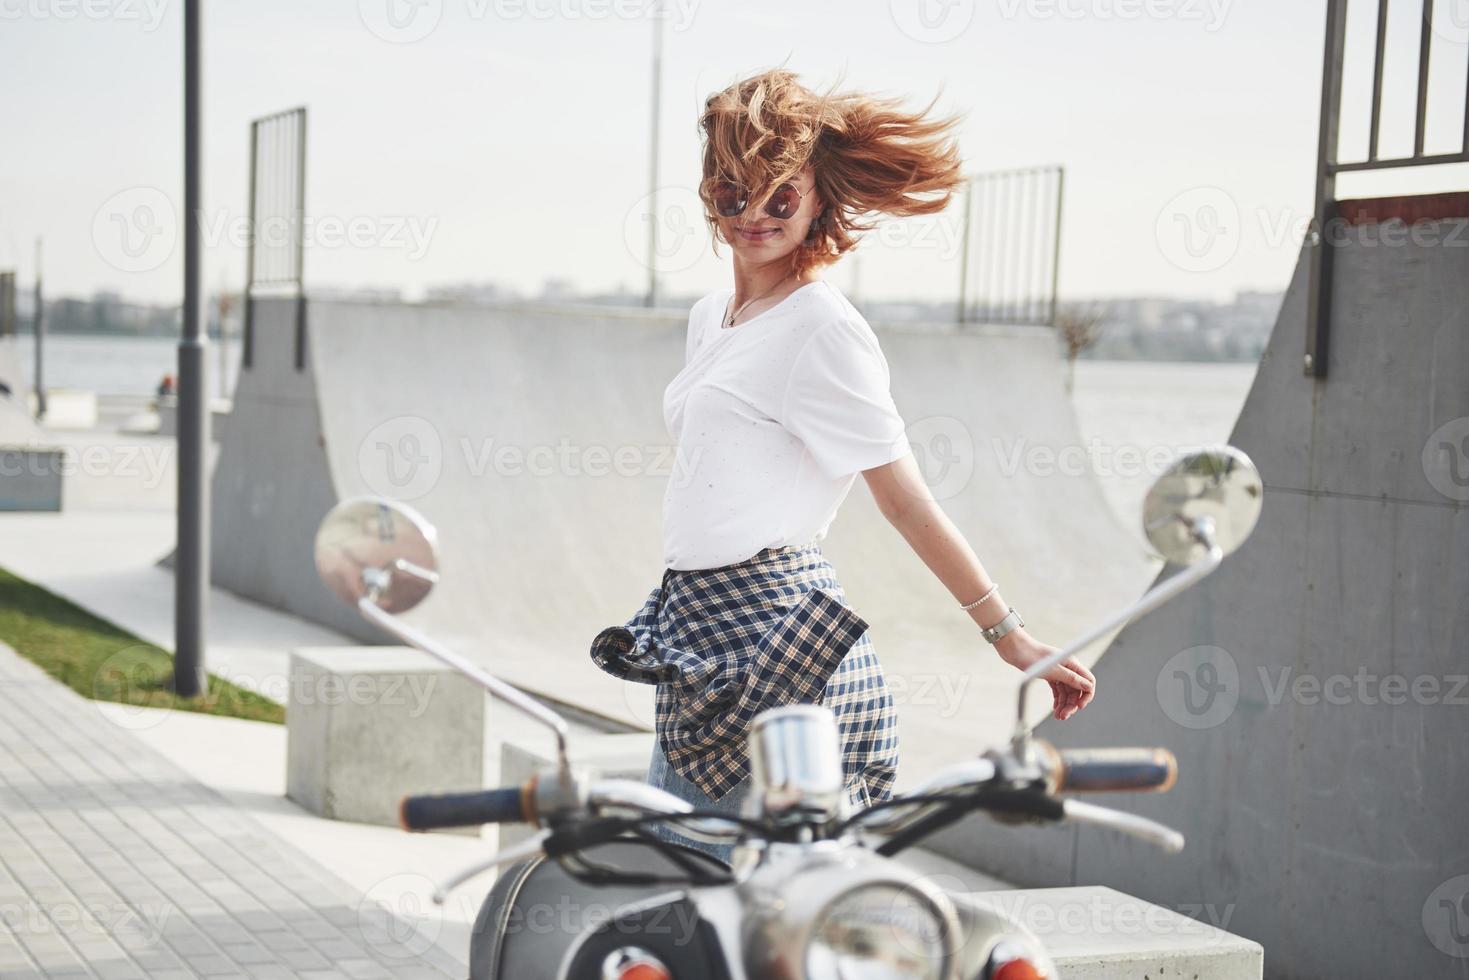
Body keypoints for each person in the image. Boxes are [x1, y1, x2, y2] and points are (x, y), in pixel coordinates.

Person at [590, 69, 1096, 862]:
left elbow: (905, 502)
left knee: (727, 897)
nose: (753, 215)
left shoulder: (821, 328)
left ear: (817, 198)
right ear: (706, 195)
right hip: (699, 632)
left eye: (779, 197)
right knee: (689, 890)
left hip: (775, 643)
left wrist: (1008, 634)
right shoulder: (711, 319)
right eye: (731, 194)